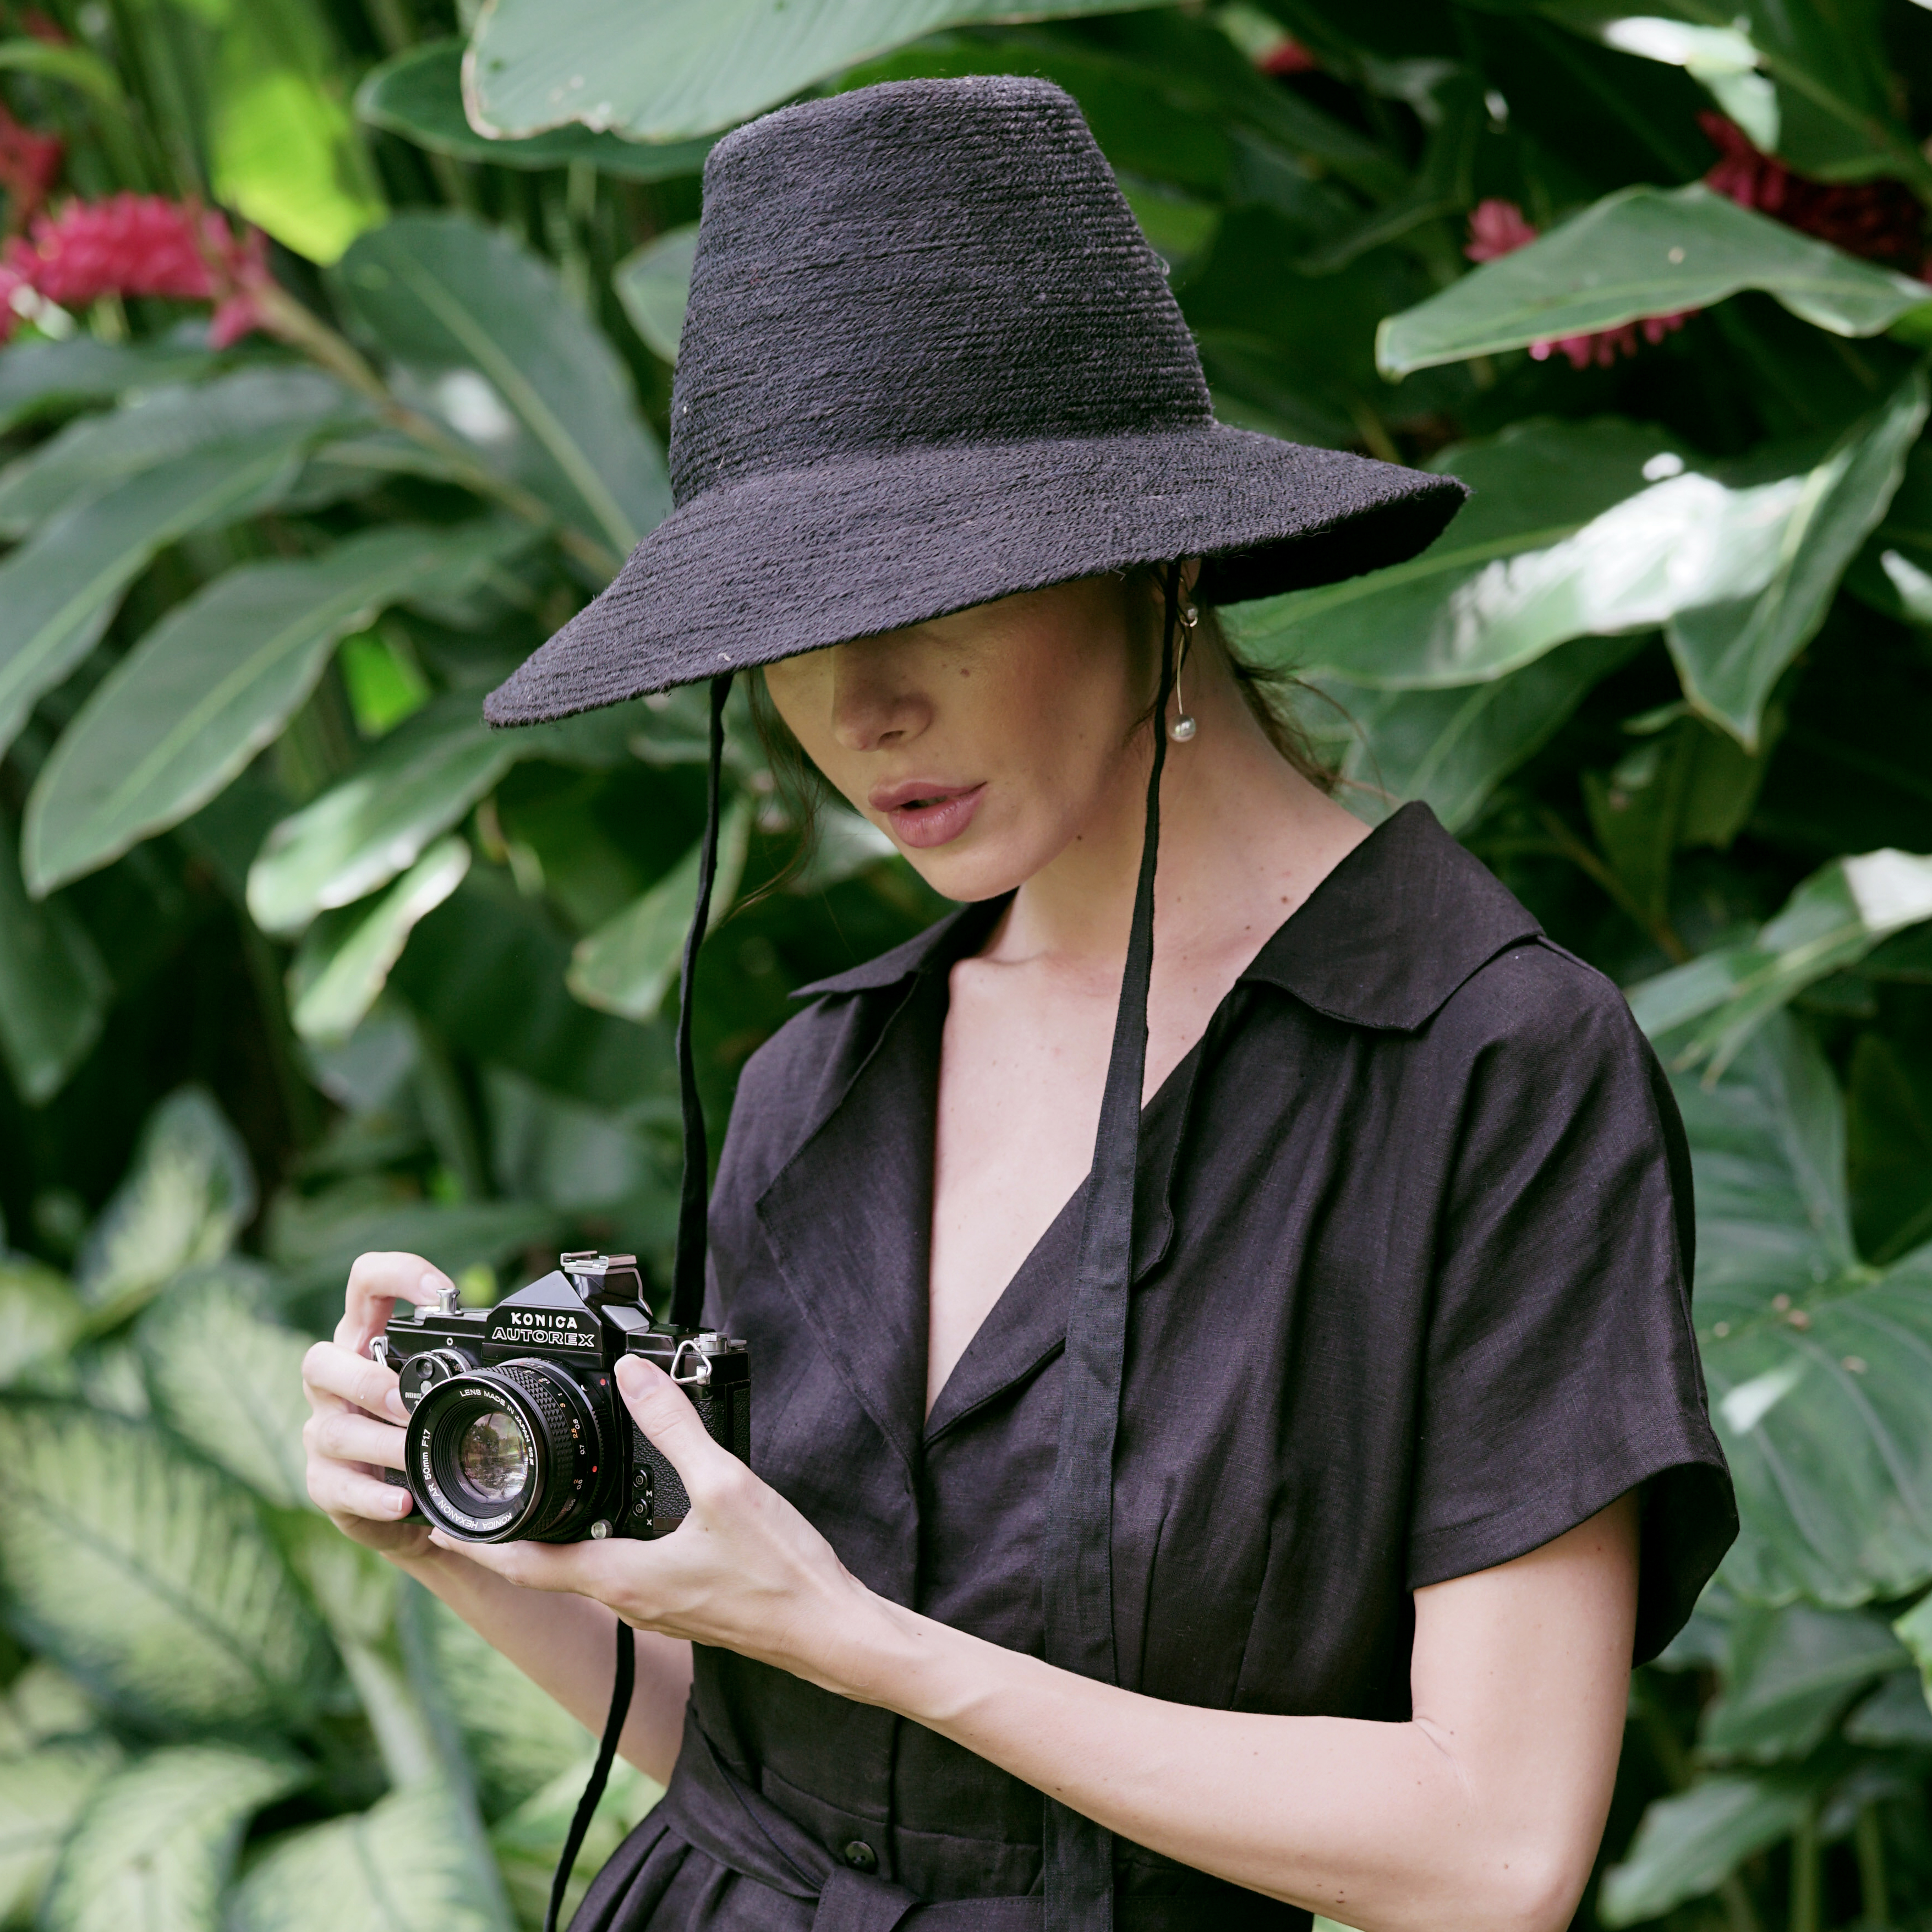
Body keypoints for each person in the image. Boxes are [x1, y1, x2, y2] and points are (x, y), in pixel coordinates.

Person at [301, 75, 1734, 1932]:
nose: (862, 710)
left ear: (1158, 548)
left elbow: (1491, 1850)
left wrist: (866, 1639)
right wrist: (468, 1545)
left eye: (935, 598)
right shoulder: (823, 1073)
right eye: (788, 639)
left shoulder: (1485, 1068)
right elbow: (765, 1772)